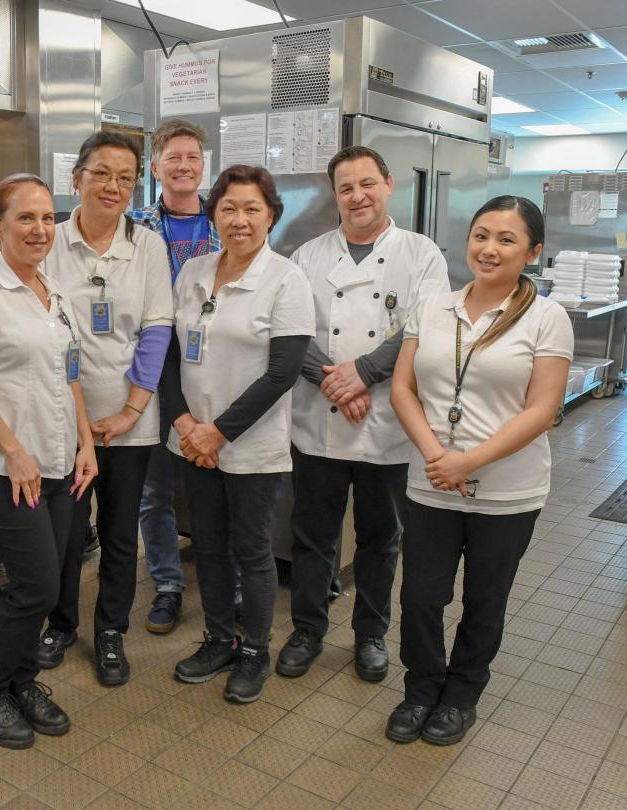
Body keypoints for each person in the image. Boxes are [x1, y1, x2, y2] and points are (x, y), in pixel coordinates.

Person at [387, 196, 572, 745]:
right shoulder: (433, 307)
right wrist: (436, 457)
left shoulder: (546, 317)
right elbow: (403, 387)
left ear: (533, 252)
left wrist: (468, 460)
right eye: (481, 235)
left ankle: (461, 694)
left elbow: (543, 409)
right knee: (420, 596)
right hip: (430, 485)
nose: (489, 249)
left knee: (485, 601)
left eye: (507, 239)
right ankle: (421, 688)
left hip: (507, 493)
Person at [280, 146, 450, 683]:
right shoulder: (308, 255)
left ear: (388, 184)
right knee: (312, 535)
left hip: (387, 423)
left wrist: (364, 374)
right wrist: (335, 380)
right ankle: (307, 628)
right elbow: (290, 330)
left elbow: (423, 329)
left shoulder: (421, 254)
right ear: (335, 195)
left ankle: (371, 634)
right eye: (346, 187)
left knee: (381, 538)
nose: (358, 196)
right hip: (319, 418)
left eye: (367, 184)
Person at [0, 174, 98, 748]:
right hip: (6, 471)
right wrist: (13, 451)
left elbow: (72, 374)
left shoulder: (55, 295)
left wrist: (86, 443)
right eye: (25, 219)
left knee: (56, 585)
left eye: (46, 219)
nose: (39, 229)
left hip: (61, 466)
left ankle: (22, 680)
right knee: (31, 586)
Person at [162, 165, 314, 704]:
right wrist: (184, 423)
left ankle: (255, 650)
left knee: (252, 549)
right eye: (228, 208)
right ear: (213, 215)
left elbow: (284, 371)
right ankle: (218, 639)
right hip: (193, 441)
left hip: (249, 445)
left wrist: (218, 433)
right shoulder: (194, 272)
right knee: (208, 546)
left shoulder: (286, 278)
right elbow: (169, 355)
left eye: (252, 209)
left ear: (271, 215)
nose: (240, 219)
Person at [40, 132, 173, 685]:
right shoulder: (49, 239)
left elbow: (157, 329)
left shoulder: (147, 247)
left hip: (128, 420)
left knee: (120, 533)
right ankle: (62, 622)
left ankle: (111, 629)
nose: (113, 186)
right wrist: (78, 422)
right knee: (66, 532)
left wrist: (129, 411)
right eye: (101, 173)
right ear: (76, 179)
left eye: (125, 176)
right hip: (61, 417)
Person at [130, 119, 220, 634]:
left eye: (193, 156)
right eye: (174, 157)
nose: (184, 166)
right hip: (151, 372)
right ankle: (167, 584)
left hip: (211, 373)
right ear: (156, 167)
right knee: (154, 493)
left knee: (215, 487)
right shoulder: (137, 225)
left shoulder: (225, 221)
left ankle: (223, 580)